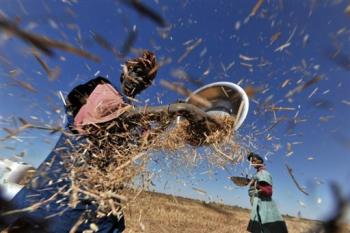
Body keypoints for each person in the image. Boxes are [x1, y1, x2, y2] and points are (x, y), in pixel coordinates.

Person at [1, 50, 224, 233]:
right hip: (62, 195)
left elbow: (142, 142)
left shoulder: (140, 117)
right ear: (124, 72)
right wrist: (179, 109)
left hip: (100, 204)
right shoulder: (102, 90)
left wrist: (173, 121)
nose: (140, 78)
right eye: (137, 70)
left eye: (146, 78)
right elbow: (111, 120)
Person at [246, 152, 288, 233]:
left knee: (269, 229)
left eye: (254, 160)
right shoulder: (257, 174)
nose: (252, 163)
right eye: (251, 161)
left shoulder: (264, 173)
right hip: (258, 206)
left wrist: (257, 186)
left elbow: (269, 191)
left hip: (265, 207)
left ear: (260, 161)